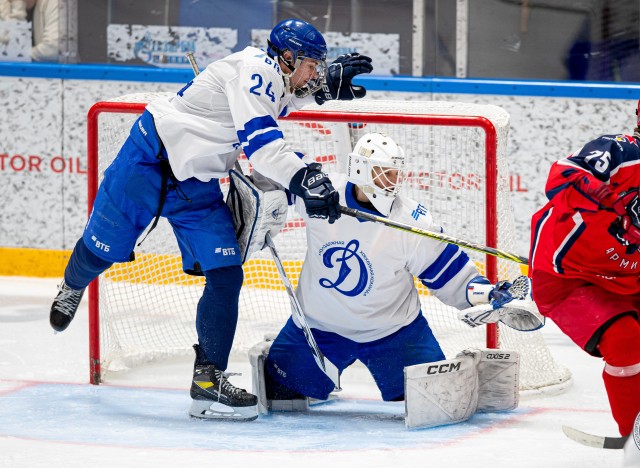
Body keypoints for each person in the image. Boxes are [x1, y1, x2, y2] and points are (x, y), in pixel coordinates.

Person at [48, 18, 373, 421]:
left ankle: (208, 380)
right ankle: (71, 284)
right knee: (101, 254)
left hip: (196, 183)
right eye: (312, 66)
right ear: (287, 58)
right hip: (147, 162)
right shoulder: (256, 71)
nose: (316, 73)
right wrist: (306, 176)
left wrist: (320, 90)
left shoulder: (273, 77)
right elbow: (263, 146)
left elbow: (280, 102)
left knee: (226, 273)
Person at [256, 132, 520, 407]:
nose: (392, 182)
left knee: (436, 400)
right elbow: (272, 171)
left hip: (394, 332)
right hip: (316, 328)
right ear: (360, 169)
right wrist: (262, 209)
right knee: (280, 397)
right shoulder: (321, 193)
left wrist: (488, 294)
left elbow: (449, 274)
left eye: (395, 174)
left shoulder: (410, 219)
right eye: (384, 173)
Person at [529, 99, 640, 462]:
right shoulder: (620, 153)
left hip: (629, 277)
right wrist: (603, 194)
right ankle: (635, 439)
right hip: (567, 278)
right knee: (626, 340)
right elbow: (561, 176)